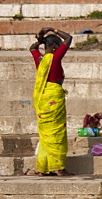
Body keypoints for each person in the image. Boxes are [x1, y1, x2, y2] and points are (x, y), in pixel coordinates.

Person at [27, 27, 72, 176]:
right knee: (57, 133)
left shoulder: (39, 59)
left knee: (46, 136)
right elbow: (69, 38)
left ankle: (43, 168)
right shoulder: (54, 57)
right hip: (54, 98)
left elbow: (32, 47)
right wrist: (53, 29)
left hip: (42, 100)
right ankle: (58, 167)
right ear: (54, 47)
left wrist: (40, 39)